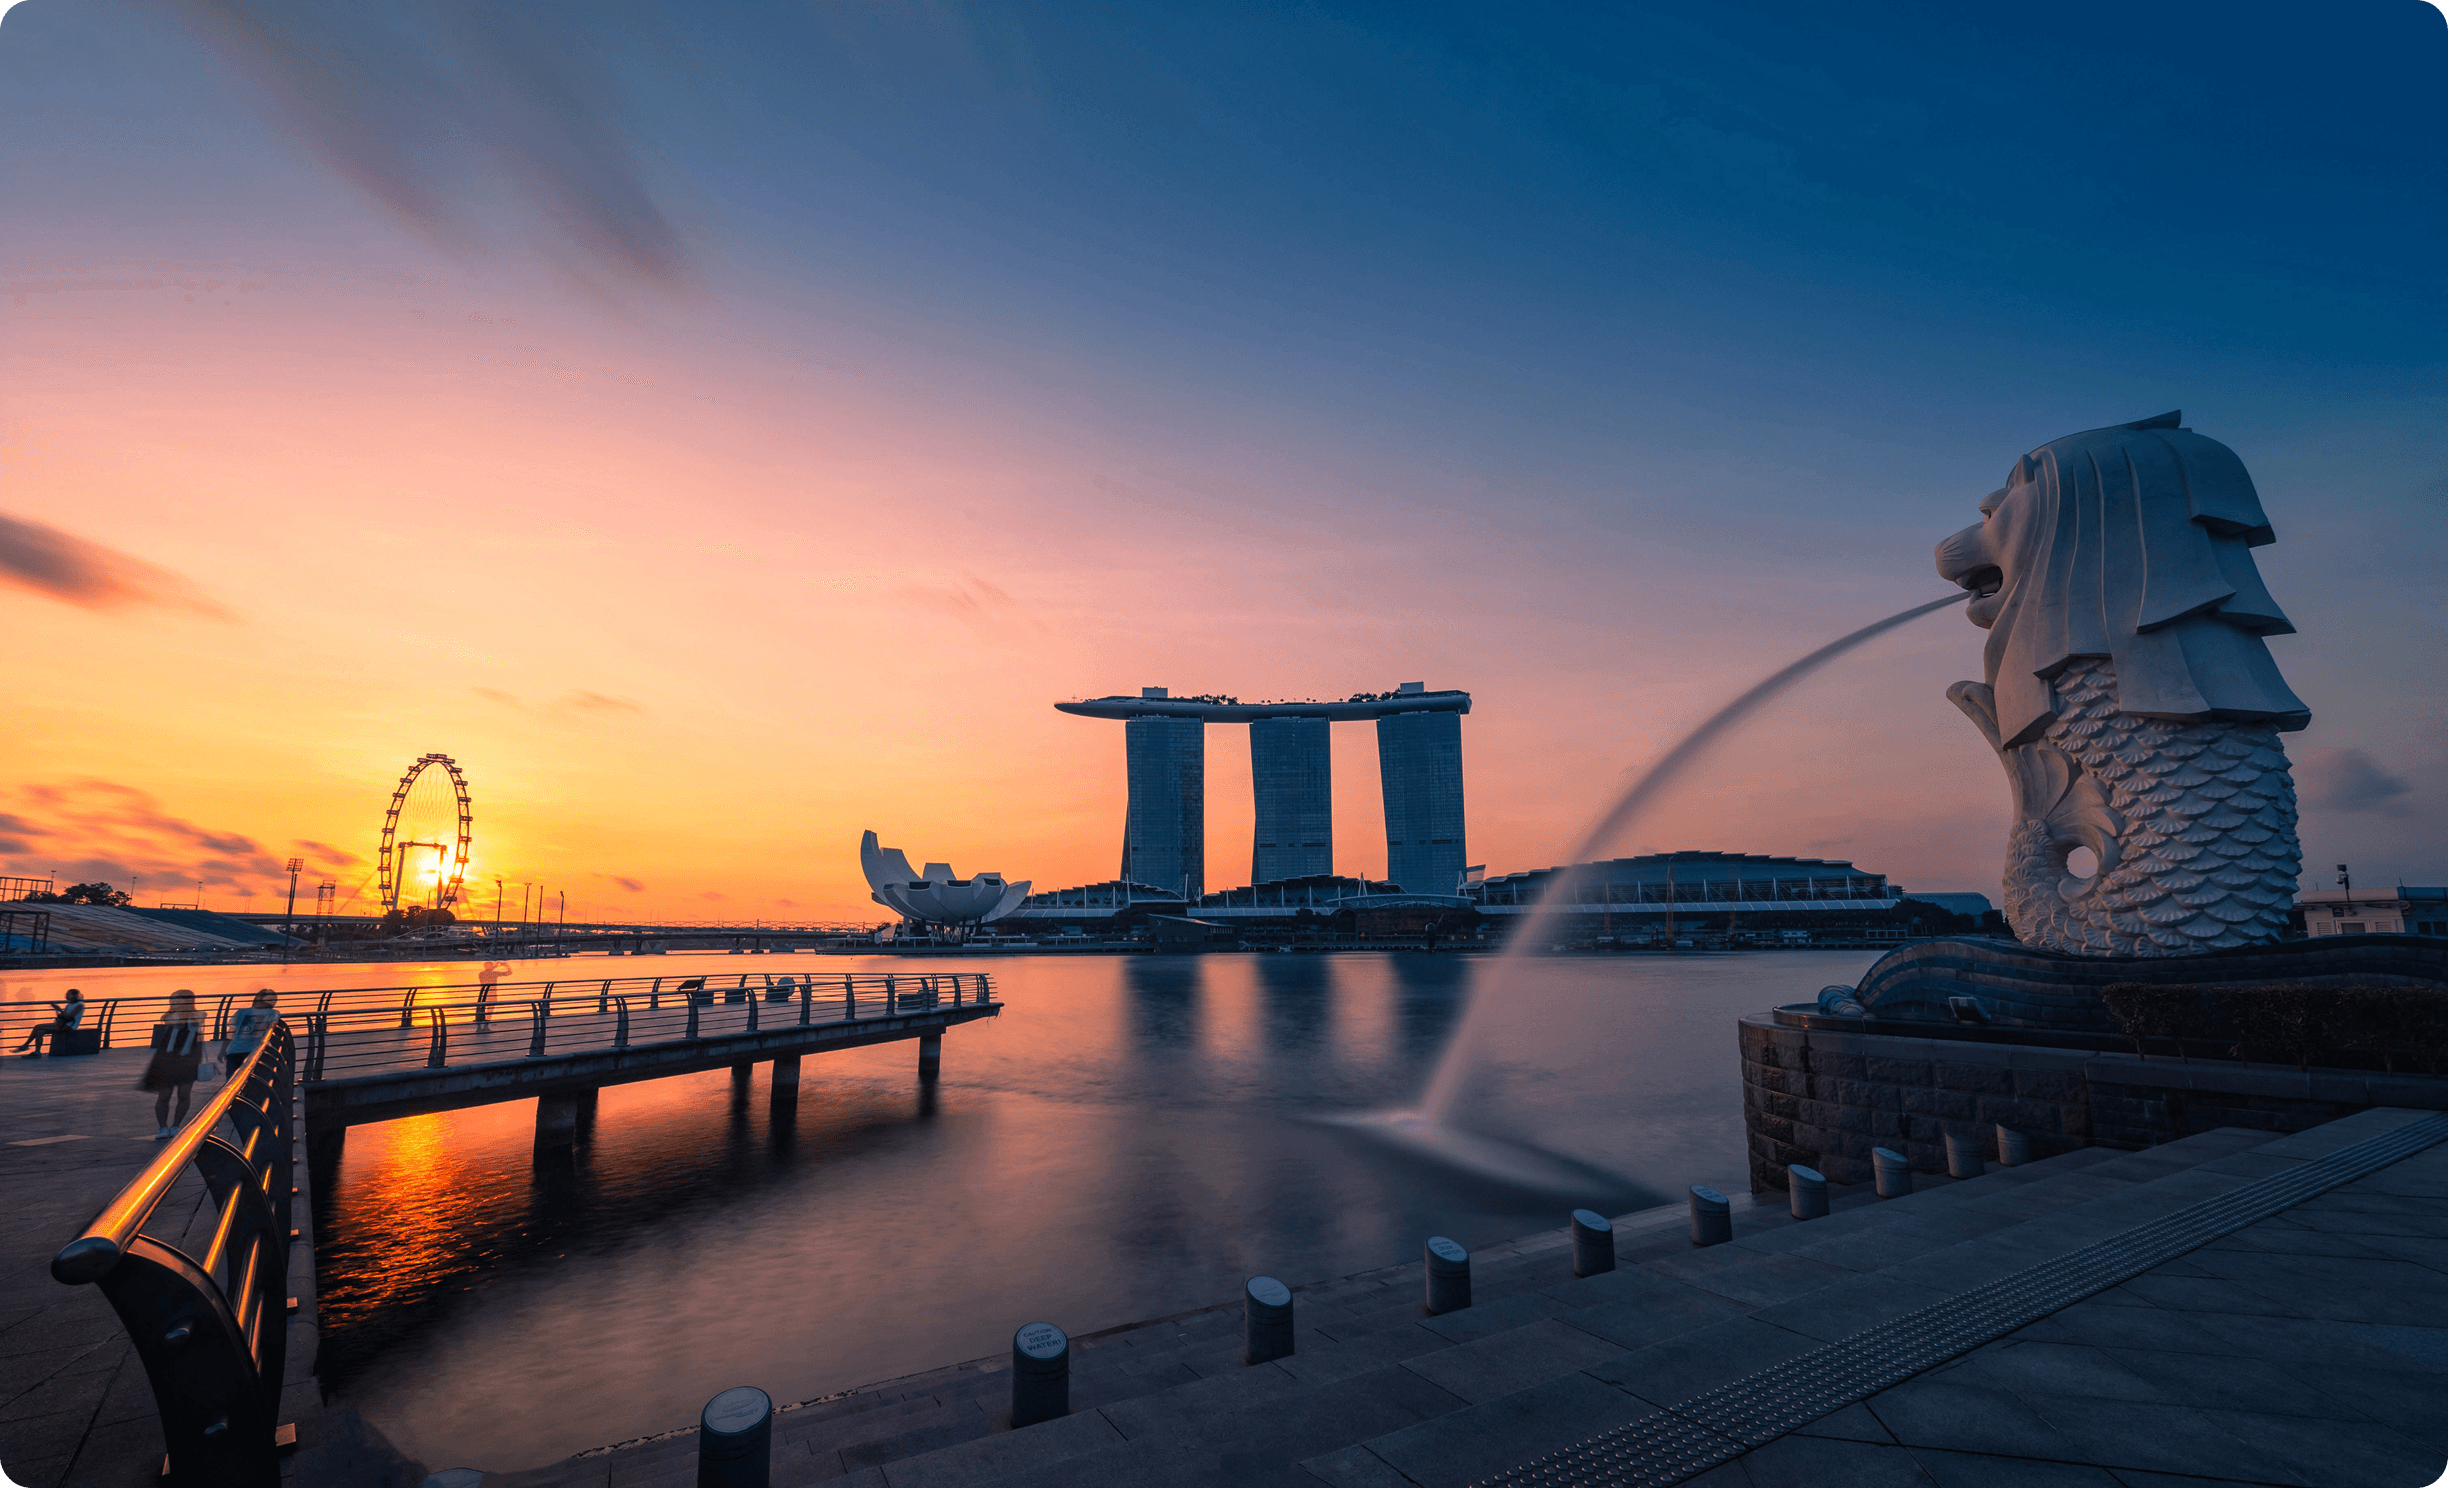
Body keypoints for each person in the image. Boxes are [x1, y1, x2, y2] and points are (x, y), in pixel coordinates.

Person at [140, 990, 204, 1138]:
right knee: (164, 1095)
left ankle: (176, 1125)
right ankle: (162, 1127)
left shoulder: (198, 1015)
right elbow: (173, 1021)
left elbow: (198, 1029)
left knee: (184, 1094)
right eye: (173, 999)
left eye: (177, 999)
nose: (173, 1002)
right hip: (168, 1060)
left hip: (188, 1060)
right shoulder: (170, 1016)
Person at [221, 989, 280, 1080]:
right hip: (255, 1051)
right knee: (255, 1079)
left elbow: (231, 1032)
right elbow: (271, 1029)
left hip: (234, 1050)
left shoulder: (241, 1012)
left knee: (232, 1079)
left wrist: (223, 1050)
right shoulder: (273, 1013)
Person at [14, 987, 85, 1055]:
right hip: (62, 1025)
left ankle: (26, 1045)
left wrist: (59, 1009)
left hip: (69, 1027)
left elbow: (69, 1016)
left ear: (74, 996)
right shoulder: (69, 1005)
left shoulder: (80, 1005)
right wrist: (58, 1011)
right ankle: (36, 1051)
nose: (66, 996)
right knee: (39, 1030)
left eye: (69, 995)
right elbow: (64, 1015)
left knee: (38, 1028)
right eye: (66, 995)